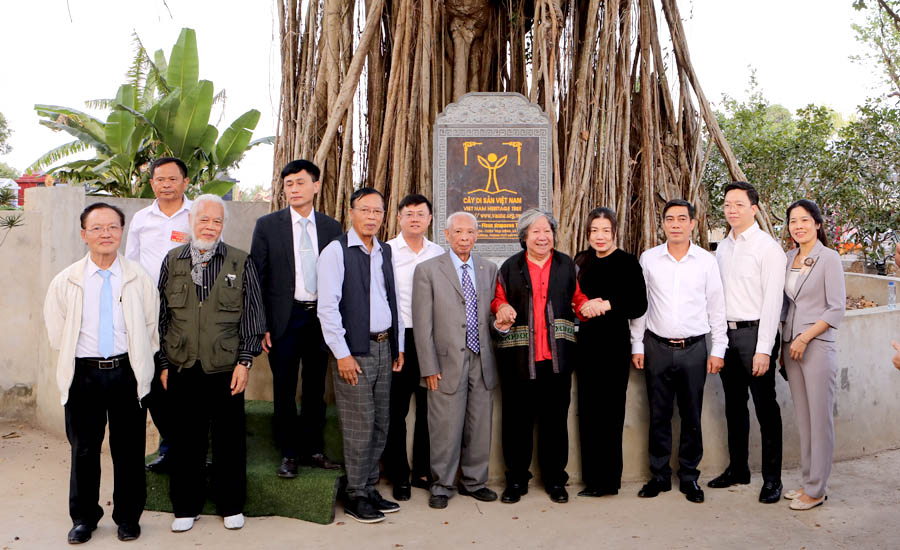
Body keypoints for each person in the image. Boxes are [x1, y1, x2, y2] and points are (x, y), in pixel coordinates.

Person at [44, 202, 159, 543]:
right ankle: (84, 517)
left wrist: (141, 365)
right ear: (84, 235)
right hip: (84, 374)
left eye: (112, 227)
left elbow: (152, 327)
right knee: (83, 450)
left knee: (129, 449)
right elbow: (56, 331)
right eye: (97, 228)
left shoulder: (138, 277)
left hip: (127, 372)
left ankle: (127, 517)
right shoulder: (66, 281)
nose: (105, 234)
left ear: (122, 232)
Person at [158, 194, 266, 532]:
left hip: (225, 367)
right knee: (185, 440)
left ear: (223, 225)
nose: (210, 226)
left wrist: (245, 362)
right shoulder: (172, 260)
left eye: (217, 221)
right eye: (204, 219)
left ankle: (231, 505)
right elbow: (160, 317)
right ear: (192, 220)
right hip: (182, 366)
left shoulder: (239, 261)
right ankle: (185, 508)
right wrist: (163, 361)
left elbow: (253, 316)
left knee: (228, 441)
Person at [630, 199, 727, 504]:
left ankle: (689, 476)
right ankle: (658, 476)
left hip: (694, 349)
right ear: (663, 224)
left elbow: (716, 307)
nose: (675, 224)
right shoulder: (649, 259)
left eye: (681, 219)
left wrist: (719, 349)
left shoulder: (706, 261)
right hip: (656, 346)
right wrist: (637, 344)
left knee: (691, 415)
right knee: (658, 415)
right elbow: (641, 307)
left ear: (692, 224)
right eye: (669, 219)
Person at [317, 187, 405, 524]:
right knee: (359, 425)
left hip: (384, 347)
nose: (371, 217)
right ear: (351, 212)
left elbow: (391, 299)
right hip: (354, 351)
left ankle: (369, 487)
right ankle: (354, 493)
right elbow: (327, 309)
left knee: (381, 422)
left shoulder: (383, 250)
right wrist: (341, 354)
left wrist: (397, 344)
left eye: (377, 211)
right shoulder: (336, 252)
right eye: (365, 210)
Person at [250, 159, 342, 478]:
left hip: (320, 319)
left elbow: (340, 278)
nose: (293, 189)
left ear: (315, 186)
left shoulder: (332, 228)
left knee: (316, 387)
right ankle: (288, 453)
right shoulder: (268, 226)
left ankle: (313, 449)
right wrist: (261, 325)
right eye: (288, 184)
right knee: (284, 388)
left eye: (300, 182)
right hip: (283, 321)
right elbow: (257, 278)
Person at [492, 209, 589, 504]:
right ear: (524, 237)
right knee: (516, 422)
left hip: (556, 360)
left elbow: (577, 297)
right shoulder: (509, 267)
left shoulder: (566, 265)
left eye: (547, 231)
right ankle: (516, 480)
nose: (542, 237)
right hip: (518, 361)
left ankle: (556, 480)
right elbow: (498, 298)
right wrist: (501, 309)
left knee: (555, 423)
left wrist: (586, 305)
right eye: (535, 231)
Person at [412, 211, 504, 510]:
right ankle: (441, 485)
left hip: (482, 358)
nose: (465, 237)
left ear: (477, 236)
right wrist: (428, 366)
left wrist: (501, 323)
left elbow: (491, 315)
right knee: (444, 427)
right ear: (447, 235)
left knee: (479, 425)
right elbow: (422, 323)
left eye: (470, 232)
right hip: (444, 362)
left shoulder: (488, 269)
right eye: (458, 232)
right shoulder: (428, 270)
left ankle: (474, 482)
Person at [709, 181, 787, 503]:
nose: (732, 210)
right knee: (734, 406)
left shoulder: (768, 248)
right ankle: (738, 468)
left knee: (766, 409)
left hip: (756, 334)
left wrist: (764, 349)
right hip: (726, 336)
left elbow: (773, 302)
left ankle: (772, 480)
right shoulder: (722, 247)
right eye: (728, 204)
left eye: (739, 204)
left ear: (753, 209)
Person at [573, 207, 647, 497]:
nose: (599, 236)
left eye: (605, 230)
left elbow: (638, 304)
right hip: (586, 346)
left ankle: (608, 481)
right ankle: (592, 480)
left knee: (611, 413)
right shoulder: (581, 260)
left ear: (614, 232)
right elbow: (572, 298)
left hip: (614, 347)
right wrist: (582, 306)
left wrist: (606, 304)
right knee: (588, 412)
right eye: (594, 231)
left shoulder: (628, 263)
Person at [125, 156, 193, 473]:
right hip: (148, 309)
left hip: (186, 310)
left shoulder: (197, 215)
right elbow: (131, 262)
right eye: (159, 179)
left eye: (171, 179)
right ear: (151, 183)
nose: (165, 184)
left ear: (185, 182)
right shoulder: (140, 219)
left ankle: (192, 448)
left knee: (184, 379)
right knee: (152, 380)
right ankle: (171, 447)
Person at [780, 199, 846, 511]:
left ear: (817, 224)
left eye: (805, 220)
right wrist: (785, 342)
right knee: (805, 419)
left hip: (815, 344)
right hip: (790, 345)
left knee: (821, 420)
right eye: (793, 221)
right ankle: (809, 481)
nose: (799, 226)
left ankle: (817, 489)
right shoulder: (789, 256)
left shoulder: (828, 258)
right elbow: (786, 303)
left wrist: (805, 337)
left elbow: (836, 308)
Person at [382, 194, 444, 501]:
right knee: (396, 410)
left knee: (428, 409)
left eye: (421, 214)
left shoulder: (438, 253)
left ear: (430, 219)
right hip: (399, 338)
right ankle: (398, 474)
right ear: (398, 219)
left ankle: (422, 470)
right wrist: (395, 343)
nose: (415, 218)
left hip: (431, 340)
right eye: (409, 214)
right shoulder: (386, 252)